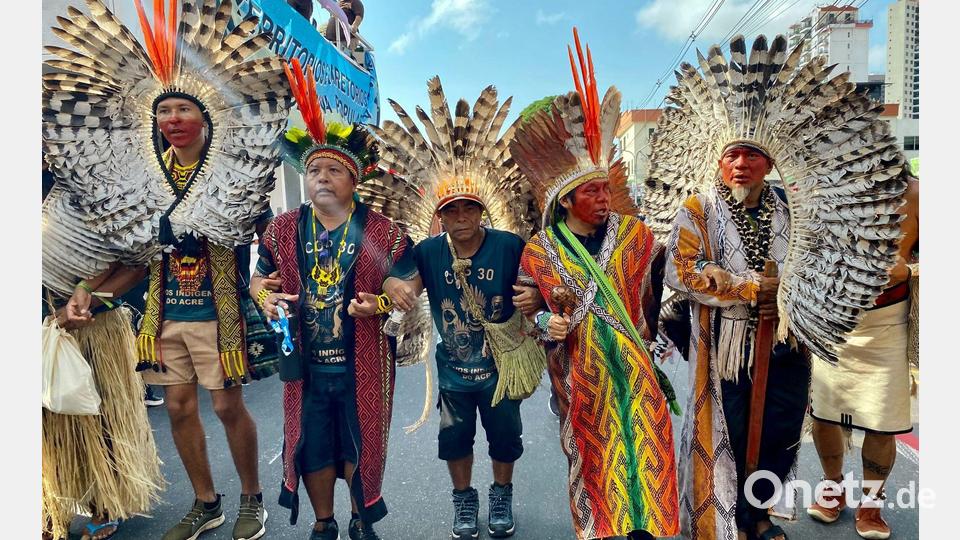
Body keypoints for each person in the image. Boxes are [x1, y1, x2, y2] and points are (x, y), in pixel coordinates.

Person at [645, 35, 909, 540]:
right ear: (719, 164)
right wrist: (749, 290)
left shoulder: (794, 210)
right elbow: (682, 272)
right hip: (725, 345)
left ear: (768, 164)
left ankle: (760, 515)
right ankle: (730, 519)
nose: (741, 164)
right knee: (733, 432)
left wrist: (787, 296)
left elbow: (828, 259)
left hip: (786, 343)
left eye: (751, 156)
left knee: (781, 433)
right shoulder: (698, 211)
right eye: (732, 156)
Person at [44, 3, 291, 539]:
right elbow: (133, 260)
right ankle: (207, 502)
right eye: (164, 111)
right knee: (179, 409)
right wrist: (89, 290)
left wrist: (265, 282)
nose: (173, 120)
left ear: (204, 116)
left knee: (228, 406)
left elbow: (267, 244)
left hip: (220, 314)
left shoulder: (237, 175)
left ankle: (252, 498)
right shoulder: (139, 180)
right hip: (162, 317)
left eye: (182, 109)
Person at [509, 29, 681, 540]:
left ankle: (649, 530)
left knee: (650, 442)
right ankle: (600, 530)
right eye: (592, 191)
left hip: (636, 362)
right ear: (566, 200)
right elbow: (528, 306)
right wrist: (545, 319)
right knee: (593, 451)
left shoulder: (636, 235)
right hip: (580, 373)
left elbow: (662, 290)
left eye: (607, 188)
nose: (604, 197)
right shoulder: (540, 250)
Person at [365, 79, 545, 539]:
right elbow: (408, 288)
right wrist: (382, 301)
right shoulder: (427, 251)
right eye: (452, 211)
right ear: (440, 216)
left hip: (502, 367)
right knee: (454, 442)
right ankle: (464, 503)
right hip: (454, 373)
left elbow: (537, 287)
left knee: (505, 440)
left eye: (469, 209)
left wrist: (536, 300)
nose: (461, 218)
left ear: (482, 211)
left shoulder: (509, 246)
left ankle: (500, 497)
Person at [250, 59, 411, 540]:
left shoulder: (382, 230)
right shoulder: (282, 229)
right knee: (310, 446)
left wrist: (383, 301)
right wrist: (262, 293)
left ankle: (363, 519)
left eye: (333, 170)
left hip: (362, 360)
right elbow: (261, 280)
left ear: (354, 180)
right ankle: (324, 522)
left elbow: (405, 284)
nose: (321, 176)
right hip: (306, 364)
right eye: (313, 168)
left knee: (362, 444)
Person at [807, 169, 919, 540]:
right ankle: (832, 487)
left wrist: (910, 268)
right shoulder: (820, 193)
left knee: (881, 420)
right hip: (833, 321)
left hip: (887, 325)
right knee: (824, 414)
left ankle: (871, 503)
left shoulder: (916, 194)